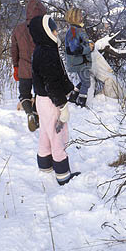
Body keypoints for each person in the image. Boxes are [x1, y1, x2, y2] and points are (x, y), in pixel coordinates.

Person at [28, 14, 81, 186]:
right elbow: (52, 83)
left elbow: (54, 78)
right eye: (53, 28)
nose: (57, 31)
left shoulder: (40, 49)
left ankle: (45, 165)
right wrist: (62, 105)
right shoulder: (48, 52)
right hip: (51, 102)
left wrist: (70, 88)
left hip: (42, 100)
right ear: (45, 32)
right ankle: (63, 175)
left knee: (46, 131)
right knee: (58, 135)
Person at [10, 0, 47, 131]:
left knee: (24, 94)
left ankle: (29, 113)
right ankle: (36, 115)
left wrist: (16, 66)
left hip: (24, 68)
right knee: (40, 94)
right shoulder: (45, 28)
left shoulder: (18, 29)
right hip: (41, 69)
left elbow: (14, 50)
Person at [64, 7, 95, 108]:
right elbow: (75, 49)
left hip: (80, 61)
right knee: (86, 83)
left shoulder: (76, 29)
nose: (82, 17)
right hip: (78, 62)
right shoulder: (73, 31)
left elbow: (80, 43)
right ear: (75, 17)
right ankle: (81, 103)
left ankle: (73, 97)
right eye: (80, 15)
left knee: (84, 81)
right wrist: (88, 48)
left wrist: (89, 44)